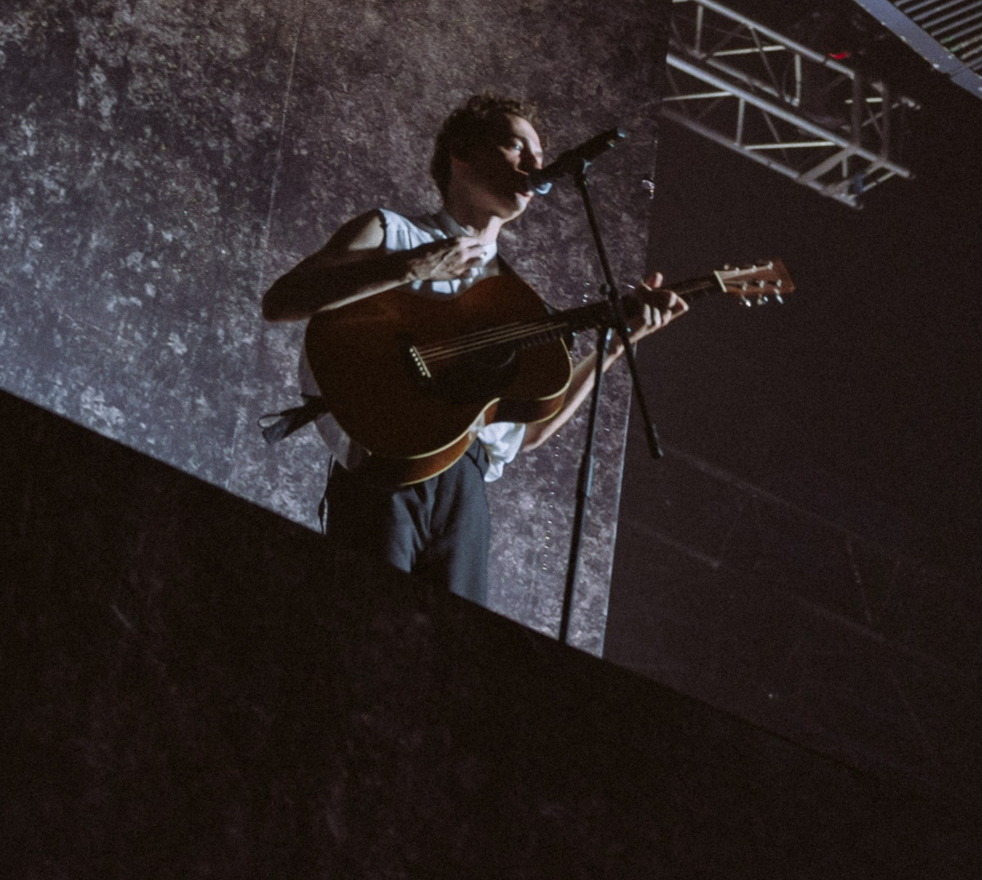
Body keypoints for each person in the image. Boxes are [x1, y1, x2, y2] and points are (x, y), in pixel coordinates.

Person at [260, 93, 684, 605]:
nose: (535, 165)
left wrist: (617, 341)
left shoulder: (518, 302)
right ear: (461, 153)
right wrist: (410, 267)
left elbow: (526, 431)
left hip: (468, 488)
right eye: (515, 146)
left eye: (539, 154)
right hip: (387, 467)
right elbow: (281, 301)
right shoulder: (392, 232)